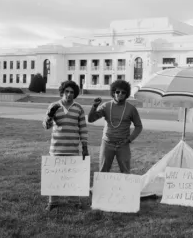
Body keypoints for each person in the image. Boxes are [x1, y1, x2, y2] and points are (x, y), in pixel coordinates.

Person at [42, 80, 89, 211]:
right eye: (66, 92)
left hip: (73, 148)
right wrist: (50, 115)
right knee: (54, 176)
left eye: (72, 92)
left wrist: (85, 147)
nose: (69, 94)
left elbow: (83, 129)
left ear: (75, 94)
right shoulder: (54, 105)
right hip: (56, 148)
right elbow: (46, 126)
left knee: (73, 176)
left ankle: (75, 201)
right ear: (62, 92)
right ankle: (53, 202)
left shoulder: (78, 108)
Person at [88, 79, 143, 174]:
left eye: (123, 92)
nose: (120, 94)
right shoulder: (106, 106)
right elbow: (91, 119)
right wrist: (94, 107)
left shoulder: (131, 109)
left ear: (127, 94)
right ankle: (102, 189)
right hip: (107, 143)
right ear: (113, 92)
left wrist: (129, 139)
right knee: (103, 171)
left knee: (125, 172)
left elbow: (138, 126)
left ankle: (125, 189)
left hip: (123, 145)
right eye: (117, 91)